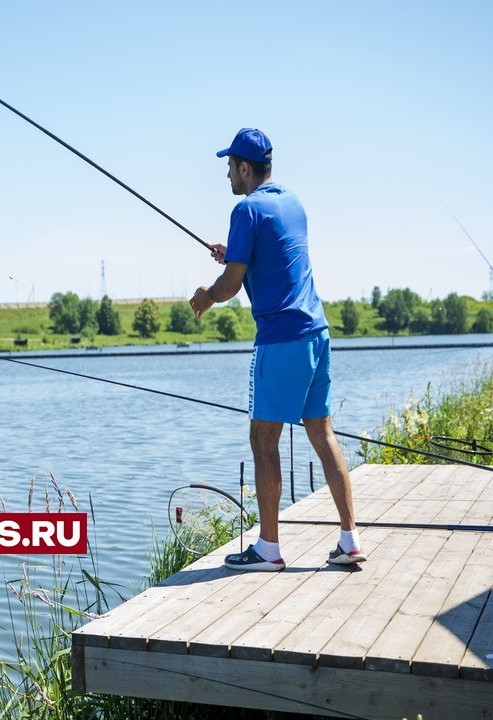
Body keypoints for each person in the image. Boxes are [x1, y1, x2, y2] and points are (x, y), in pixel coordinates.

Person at [189, 128, 364, 572]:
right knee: (322, 435)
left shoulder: (245, 208)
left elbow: (231, 285)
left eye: (230, 165)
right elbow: (275, 258)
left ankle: (268, 549)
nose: (227, 172)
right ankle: (349, 541)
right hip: (316, 333)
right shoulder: (292, 202)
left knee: (263, 440)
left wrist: (206, 296)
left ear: (245, 168)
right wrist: (236, 253)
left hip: (281, 338)